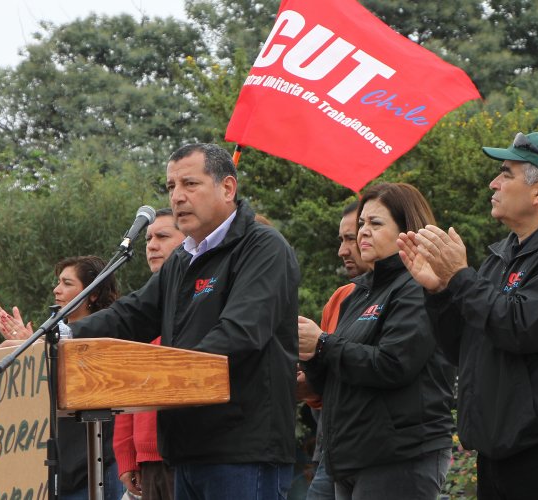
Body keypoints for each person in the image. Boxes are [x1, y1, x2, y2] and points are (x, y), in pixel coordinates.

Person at [69, 143, 300, 500]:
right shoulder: (182, 260)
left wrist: (158, 378)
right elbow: (131, 314)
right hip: (185, 451)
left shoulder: (263, 248)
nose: (177, 197)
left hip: (242, 451)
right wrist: (61, 335)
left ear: (227, 188)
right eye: (171, 187)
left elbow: (240, 333)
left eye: (190, 184)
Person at [397, 132, 538, 500]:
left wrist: (460, 277)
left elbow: (522, 328)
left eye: (506, 173)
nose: (493, 183)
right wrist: (439, 292)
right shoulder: (502, 255)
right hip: (497, 454)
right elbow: (462, 346)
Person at [299, 183, 455, 500]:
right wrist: (312, 354)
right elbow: (334, 378)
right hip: (350, 457)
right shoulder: (357, 294)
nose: (363, 233)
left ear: (406, 230)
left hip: (399, 457)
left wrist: (324, 343)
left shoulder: (418, 284)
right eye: (361, 224)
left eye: (375, 223)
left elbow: (394, 364)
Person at [0, 256, 124, 499]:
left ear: (92, 294)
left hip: (95, 466)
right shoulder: (51, 338)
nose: (56, 289)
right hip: (58, 468)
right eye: (58, 282)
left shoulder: (108, 335)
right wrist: (31, 355)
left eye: (67, 283)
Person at [113, 208, 185, 499]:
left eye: (163, 236)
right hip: (146, 461)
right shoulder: (141, 313)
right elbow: (127, 390)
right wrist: (126, 456)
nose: (152, 245)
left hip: (187, 454)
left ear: (188, 241)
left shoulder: (199, 302)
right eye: (148, 239)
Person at [302, 201, 368, 500]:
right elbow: (320, 394)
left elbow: (391, 365)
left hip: (381, 452)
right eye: (341, 240)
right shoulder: (341, 297)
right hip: (333, 448)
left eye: (350, 238)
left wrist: (322, 346)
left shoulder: (410, 292)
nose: (343, 251)